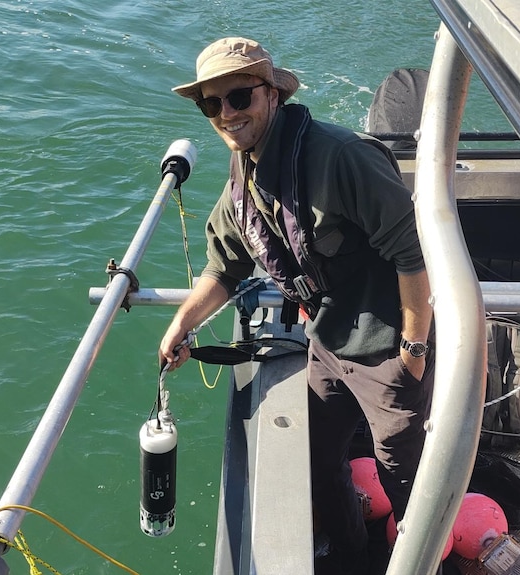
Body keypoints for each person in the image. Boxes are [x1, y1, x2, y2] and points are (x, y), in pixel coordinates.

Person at [159, 37, 434, 574]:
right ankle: (354, 556)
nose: (226, 114)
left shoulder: (341, 158)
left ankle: (419, 560)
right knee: (320, 458)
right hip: (327, 343)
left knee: (403, 474)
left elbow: (413, 256)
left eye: (238, 97)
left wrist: (414, 351)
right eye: (210, 104)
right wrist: (181, 325)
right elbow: (224, 267)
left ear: (272, 94)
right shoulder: (245, 177)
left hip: (387, 350)